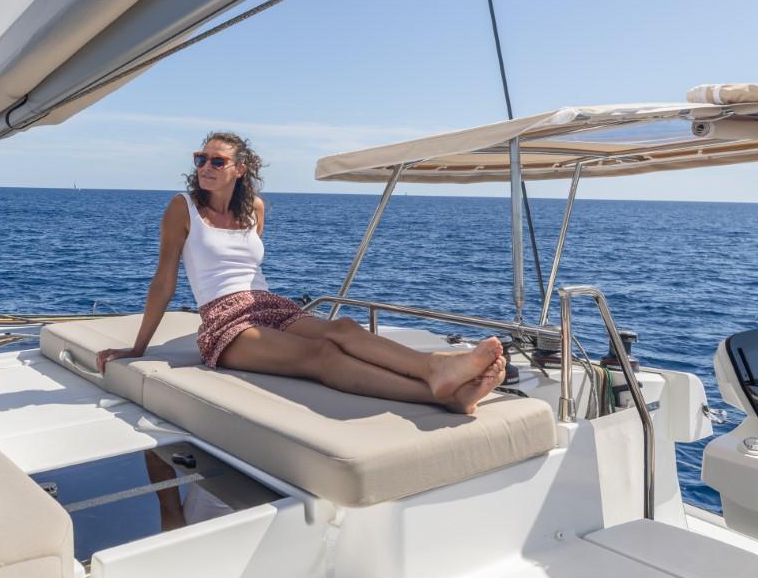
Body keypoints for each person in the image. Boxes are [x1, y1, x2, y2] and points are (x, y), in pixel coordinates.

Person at [96, 132, 506, 414]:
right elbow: (164, 281)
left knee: (342, 328)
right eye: (200, 159)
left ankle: (435, 367)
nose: (206, 166)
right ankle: (440, 396)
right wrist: (137, 348)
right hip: (224, 321)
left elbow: (250, 269)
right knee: (322, 355)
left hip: (267, 304)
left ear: (239, 169)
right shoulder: (182, 208)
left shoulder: (254, 208)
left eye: (217, 160)